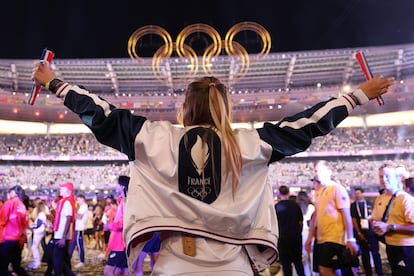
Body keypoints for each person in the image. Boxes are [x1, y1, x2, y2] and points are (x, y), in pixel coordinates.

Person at [32, 61, 393, 275]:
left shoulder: (152, 138)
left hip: (174, 265)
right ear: (225, 108)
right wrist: (357, 95)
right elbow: (306, 125)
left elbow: (100, 113)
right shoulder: (250, 144)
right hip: (233, 266)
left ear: (185, 109)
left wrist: (53, 81)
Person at [305, 160, 359, 276]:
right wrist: (310, 237)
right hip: (321, 239)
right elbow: (315, 216)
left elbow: (346, 215)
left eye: (320, 170)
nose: (317, 173)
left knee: (325, 269)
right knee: (327, 270)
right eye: (315, 170)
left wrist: (350, 239)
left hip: (333, 238)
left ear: (329, 171)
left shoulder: (337, 189)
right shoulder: (320, 192)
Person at [370, 164, 414, 276]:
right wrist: (375, 226)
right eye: (381, 176)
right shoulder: (380, 198)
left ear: (396, 178)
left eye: (387, 176)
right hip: (390, 245)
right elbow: (375, 220)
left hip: (407, 247)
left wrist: (390, 227)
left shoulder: (405, 199)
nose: (383, 180)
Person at [350, 187, 383, 276]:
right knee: (365, 255)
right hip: (360, 232)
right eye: (355, 193)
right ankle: (368, 273)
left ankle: (379, 272)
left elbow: (374, 217)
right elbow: (354, 220)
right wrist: (359, 233)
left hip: (371, 233)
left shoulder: (369, 204)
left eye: (359, 193)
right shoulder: (353, 206)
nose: (357, 195)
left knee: (376, 253)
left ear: (362, 193)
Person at [275, 185, 305, 276]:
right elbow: (301, 222)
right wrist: (299, 232)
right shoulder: (295, 206)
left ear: (279, 194)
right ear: (288, 193)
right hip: (295, 237)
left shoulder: (276, 207)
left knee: (286, 264)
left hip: (282, 238)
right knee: (298, 262)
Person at [104, 175, 130, 276]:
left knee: (109, 271)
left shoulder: (125, 202)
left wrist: (109, 226)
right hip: (121, 243)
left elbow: (123, 223)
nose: (116, 188)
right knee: (121, 271)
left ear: (122, 187)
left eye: (117, 185)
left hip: (119, 244)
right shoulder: (123, 201)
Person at [0, 186, 29, 276]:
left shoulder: (10, 203)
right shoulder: (22, 206)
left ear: (13, 193)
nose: (8, 194)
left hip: (7, 238)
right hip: (18, 239)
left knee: (2, 268)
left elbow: (2, 221)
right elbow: (25, 223)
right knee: (16, 266)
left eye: (10, 192)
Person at [52, 182, 76, 276]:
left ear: (67, 190)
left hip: (61, 236)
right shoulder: (65, 201)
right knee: (63, 262)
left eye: (62, 188)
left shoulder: (67, 202)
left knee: (57, 263)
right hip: (61, 234)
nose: (60, 190)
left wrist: (63, 236)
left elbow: (68, 219)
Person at [296, 190, 315, 276]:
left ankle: (307, 274)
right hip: (311, 234)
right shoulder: (311, 207)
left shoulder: (297, 208)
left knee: (304, 258)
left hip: (301, 234)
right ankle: (314, 274)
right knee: (312, 256)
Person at [68, 194, 89, 269]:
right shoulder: (82, 207)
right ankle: (68, 258)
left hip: (80, 228)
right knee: (73, 244)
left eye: (78, 199)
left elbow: (79, 216)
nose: (77, 201)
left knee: (80, 246)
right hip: (78, 228)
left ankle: (81, 261)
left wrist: (73, 213)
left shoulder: (83, 207)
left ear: (82, 199)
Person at [28, 200, 47, 270]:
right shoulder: (42, 214)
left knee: (34, 247)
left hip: (38, 232)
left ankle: (37, 262)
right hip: (40, 232)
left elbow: (38, 224)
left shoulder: (41, 214)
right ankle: (37, 261)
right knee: (35, 247)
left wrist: (31, 227)